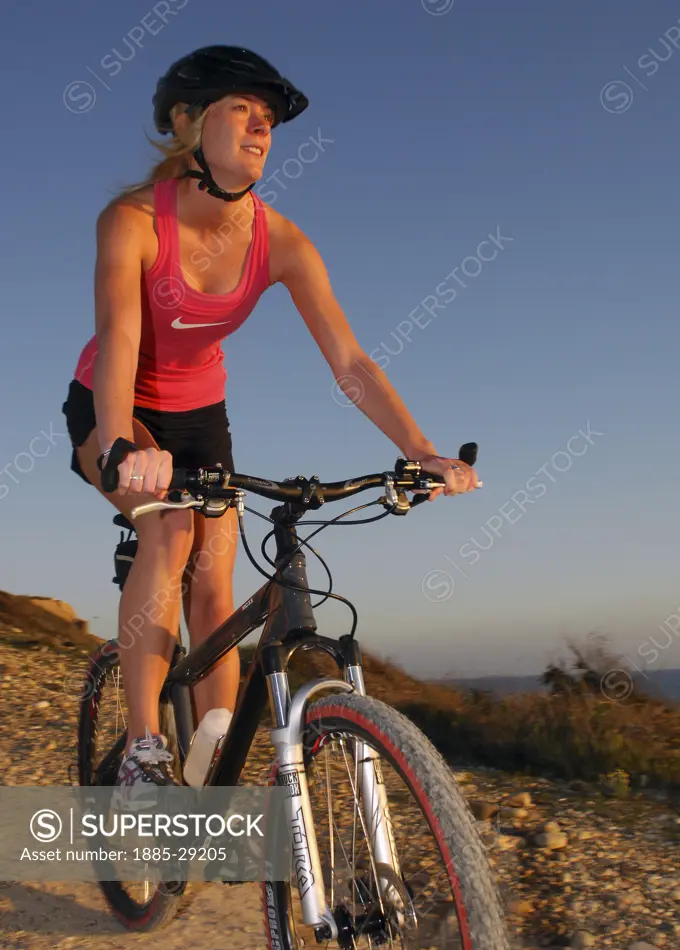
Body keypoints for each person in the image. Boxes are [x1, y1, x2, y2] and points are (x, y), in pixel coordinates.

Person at [62, 45, 478, 792]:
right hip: (114, 403)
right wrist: (123, 443)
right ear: (188, 123)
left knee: (217, 580)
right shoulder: (131, 221)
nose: (262, 130)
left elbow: (351, 363)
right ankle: (144, 750)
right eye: (242, 112)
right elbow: (121, 336)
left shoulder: (280, 241)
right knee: (169, 527)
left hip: (200, 415)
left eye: (269, 122)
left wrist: (423, 451)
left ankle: (209, 760)